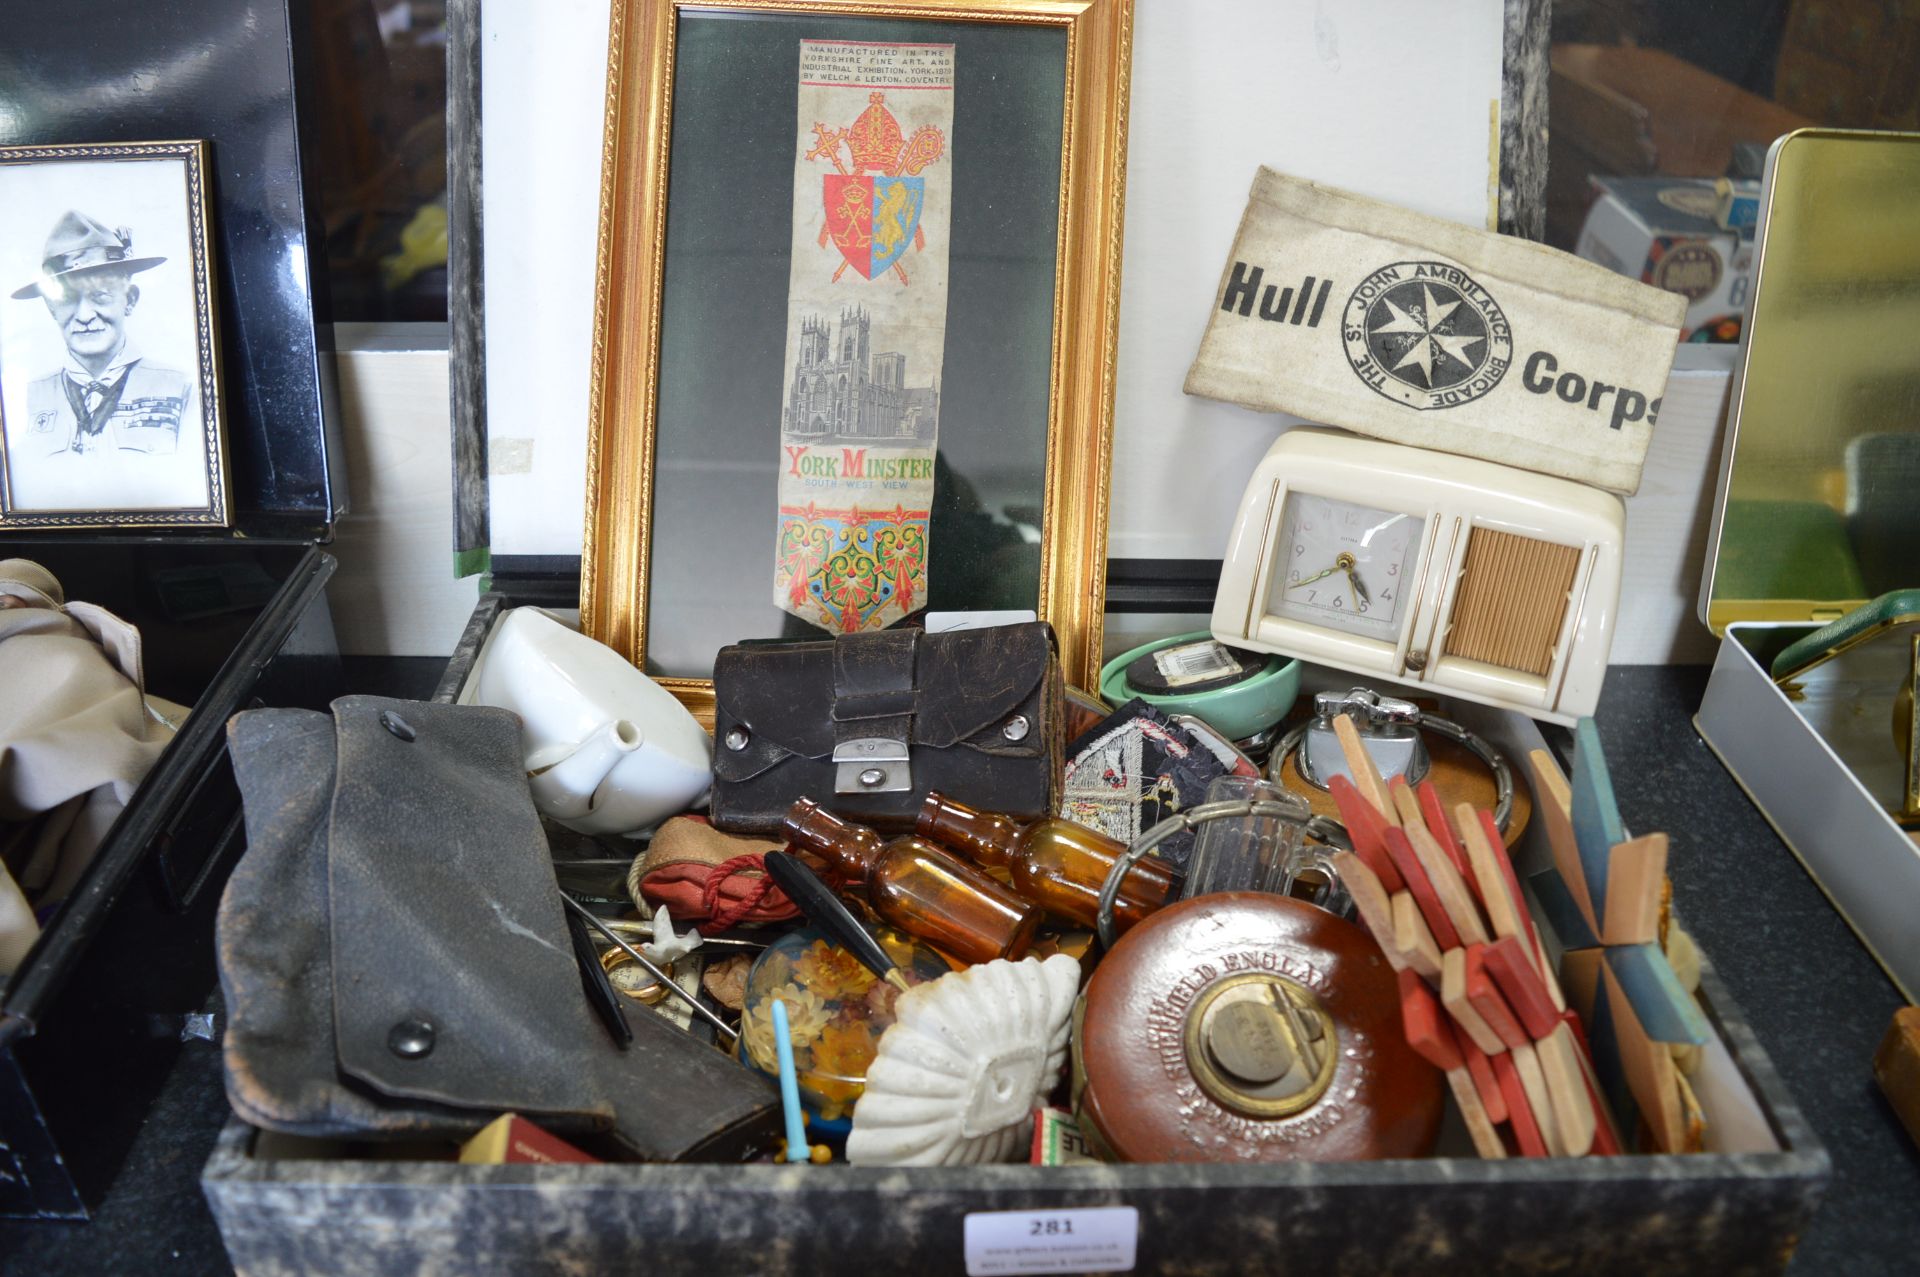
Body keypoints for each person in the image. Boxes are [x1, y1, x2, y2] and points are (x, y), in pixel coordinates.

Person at [6, 210, 201, 509]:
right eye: (68, 299)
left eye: (100, 297)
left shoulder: (183, 390)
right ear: (51, 309)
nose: (84, 316)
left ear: (130, 299)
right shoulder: (22, 400)